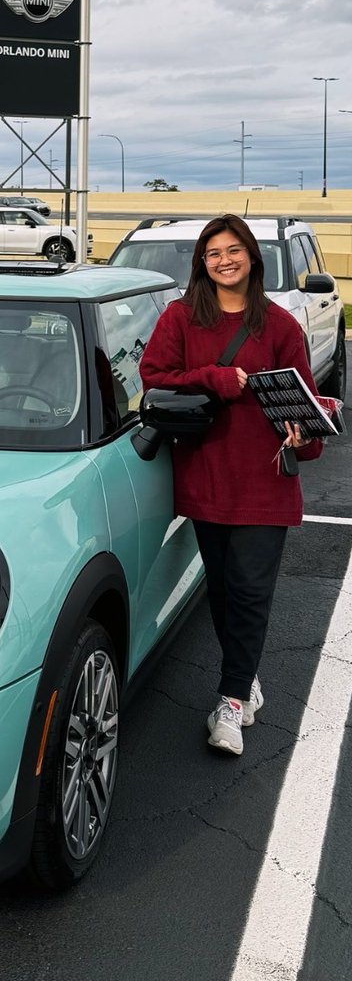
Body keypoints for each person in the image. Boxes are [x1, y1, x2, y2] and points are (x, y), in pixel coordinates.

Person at [139, 214, 324, 756]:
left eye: (233, 250)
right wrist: (214, 378)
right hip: (206, 477)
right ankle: (245, 678)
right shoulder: (179, 319)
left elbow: (309, 415)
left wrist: (302, 436)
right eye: (213, 252)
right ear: (202, 262)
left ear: (252, 257)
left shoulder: (281, 328)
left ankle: (231, 698)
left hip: (265, 482)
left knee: (249, 591)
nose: (224, 260)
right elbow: (155, 377)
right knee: (221, 590)